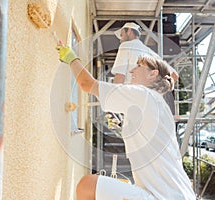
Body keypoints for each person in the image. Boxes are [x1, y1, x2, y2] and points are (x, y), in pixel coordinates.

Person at [56, 45, 196, 200]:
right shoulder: (158, 104)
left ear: (153, 74)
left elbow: (87, 84)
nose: (131, 71)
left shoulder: (143, 95)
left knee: (88, 185)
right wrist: (124, 125)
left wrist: (71, 58)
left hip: (166, 197)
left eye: (138, 66)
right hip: (177, 195)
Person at [112, 22, 178, 115]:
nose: (120, 40)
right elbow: (174, 76)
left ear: (129, 31)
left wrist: (114, 99)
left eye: (122, 35)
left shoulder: (126, 46)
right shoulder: (149, 52)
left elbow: (120, 75)